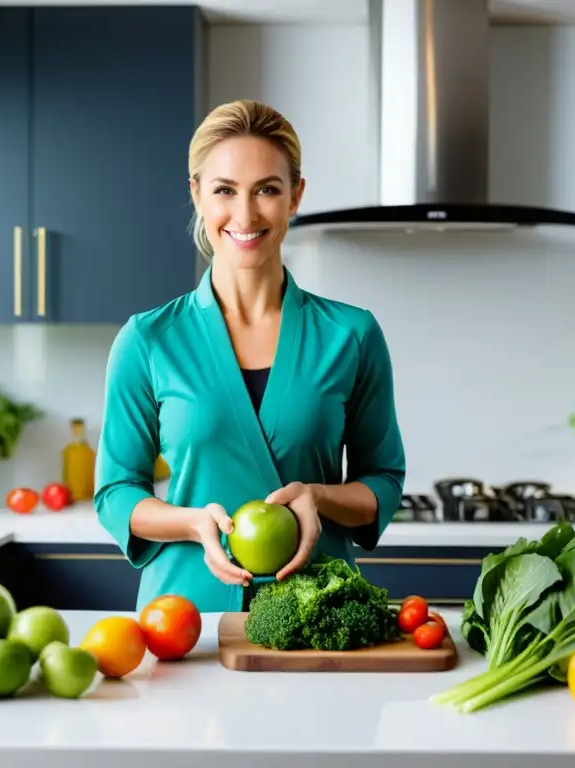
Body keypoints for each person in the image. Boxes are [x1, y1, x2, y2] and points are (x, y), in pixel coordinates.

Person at [94, 99, 406, 613]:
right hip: (185, 618)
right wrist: (191, 522)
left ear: (295, 195)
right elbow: (116, 492)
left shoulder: (351, 335)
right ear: (197, 194)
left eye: (267, 189)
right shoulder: (147, 340)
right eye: (224, 190)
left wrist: (320, 497)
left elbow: (383, 479)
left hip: (318, 611)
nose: (245, 214)